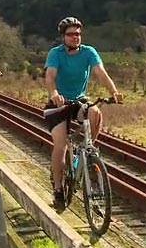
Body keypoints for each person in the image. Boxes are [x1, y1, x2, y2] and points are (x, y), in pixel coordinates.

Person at [43, 17, 122, 209]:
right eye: (70, 34)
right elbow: (50, 76)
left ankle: (87, 150)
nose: (75, 37)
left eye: (78, 34)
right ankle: (59, 189)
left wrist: (113, 91)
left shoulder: (89, 52)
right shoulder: (56, 53)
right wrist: (54, 93)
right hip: (58, 104)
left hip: (78, 100)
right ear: (63, 36)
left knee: (95, 113)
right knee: (61, 146)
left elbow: (100, 72)